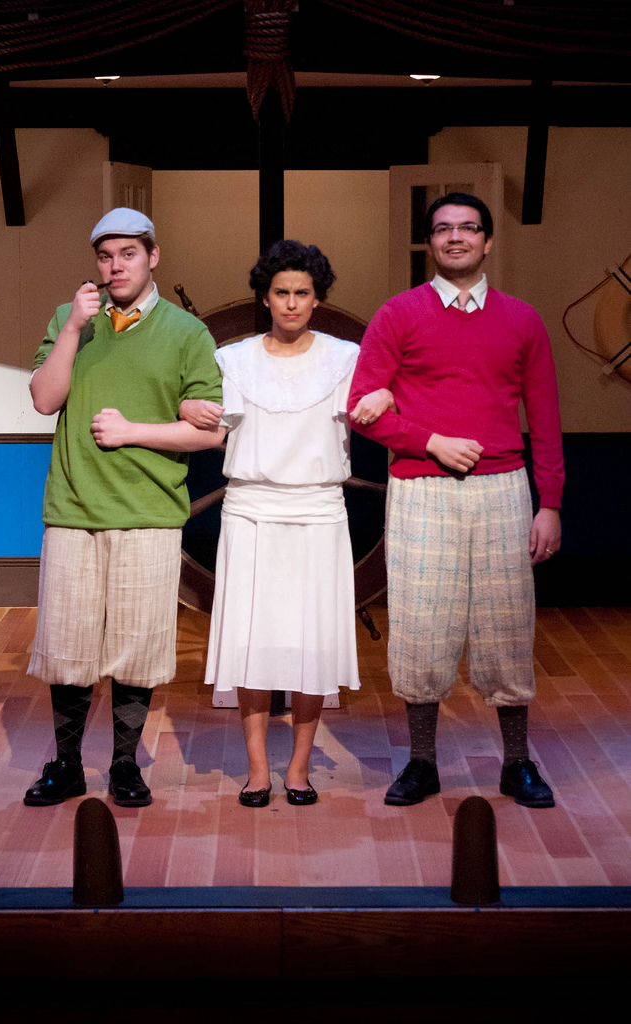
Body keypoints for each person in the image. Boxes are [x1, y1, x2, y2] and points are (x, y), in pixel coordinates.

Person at [349, 193, 564, 809]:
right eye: (443, 229)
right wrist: (430, 441)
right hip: (421, 488)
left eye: (469, 228)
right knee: (421, 624)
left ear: (488, 242)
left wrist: (549, 502)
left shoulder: (522, 319)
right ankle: (422, 764)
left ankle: (517, 764)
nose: (456, 238)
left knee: (507, 625)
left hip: (503, 488)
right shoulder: (399, 314)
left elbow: (545, 418)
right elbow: (363, 407)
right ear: (430, 243)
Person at [24, 207, 224, 808]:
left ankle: (125, 765)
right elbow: (43, 399)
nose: (116, 267)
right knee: (68, 647)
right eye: (106, 257)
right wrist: (70, 331)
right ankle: (65, 764)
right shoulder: (71, 318)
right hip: (74, 508)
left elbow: (209, 433)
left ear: (153, 256)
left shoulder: (187, 332)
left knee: (137, 646)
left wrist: (133, 431)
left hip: (148, 510)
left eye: (128, 254)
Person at [182, 240, 383, 807]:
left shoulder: (345, 358)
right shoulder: (235, 359)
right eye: (281, 293)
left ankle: (298, 768)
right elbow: (204, 416)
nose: (291, 303)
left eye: (302, 293)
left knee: (311, 643)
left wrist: (387, 392)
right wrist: (184, 408)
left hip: (319, 512)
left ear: (317, 299)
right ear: (265, 297)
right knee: (252, 642)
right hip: (251, 512)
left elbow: (382, 406)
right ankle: (256, 770)